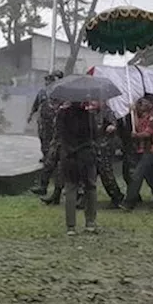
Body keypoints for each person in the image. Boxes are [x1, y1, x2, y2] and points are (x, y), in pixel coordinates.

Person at [56, 100, 102, 236]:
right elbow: (95, 134)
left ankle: (71, 226)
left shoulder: (62, 115)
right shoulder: (89, 115)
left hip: (69, 156)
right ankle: (90, 223)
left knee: (70, 188)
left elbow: (59, 133)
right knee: (90, 187)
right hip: (86, 155)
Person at [121, 95, 153, 210]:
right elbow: (136, 126)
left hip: (151, 149)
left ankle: (129, 202)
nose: (142, 105)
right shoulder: (143, 117)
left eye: (144, 103)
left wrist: (136, 136)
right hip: (142, 149)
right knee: (151, 176)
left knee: (137, 175)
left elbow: (148, 133)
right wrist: (134, 113)